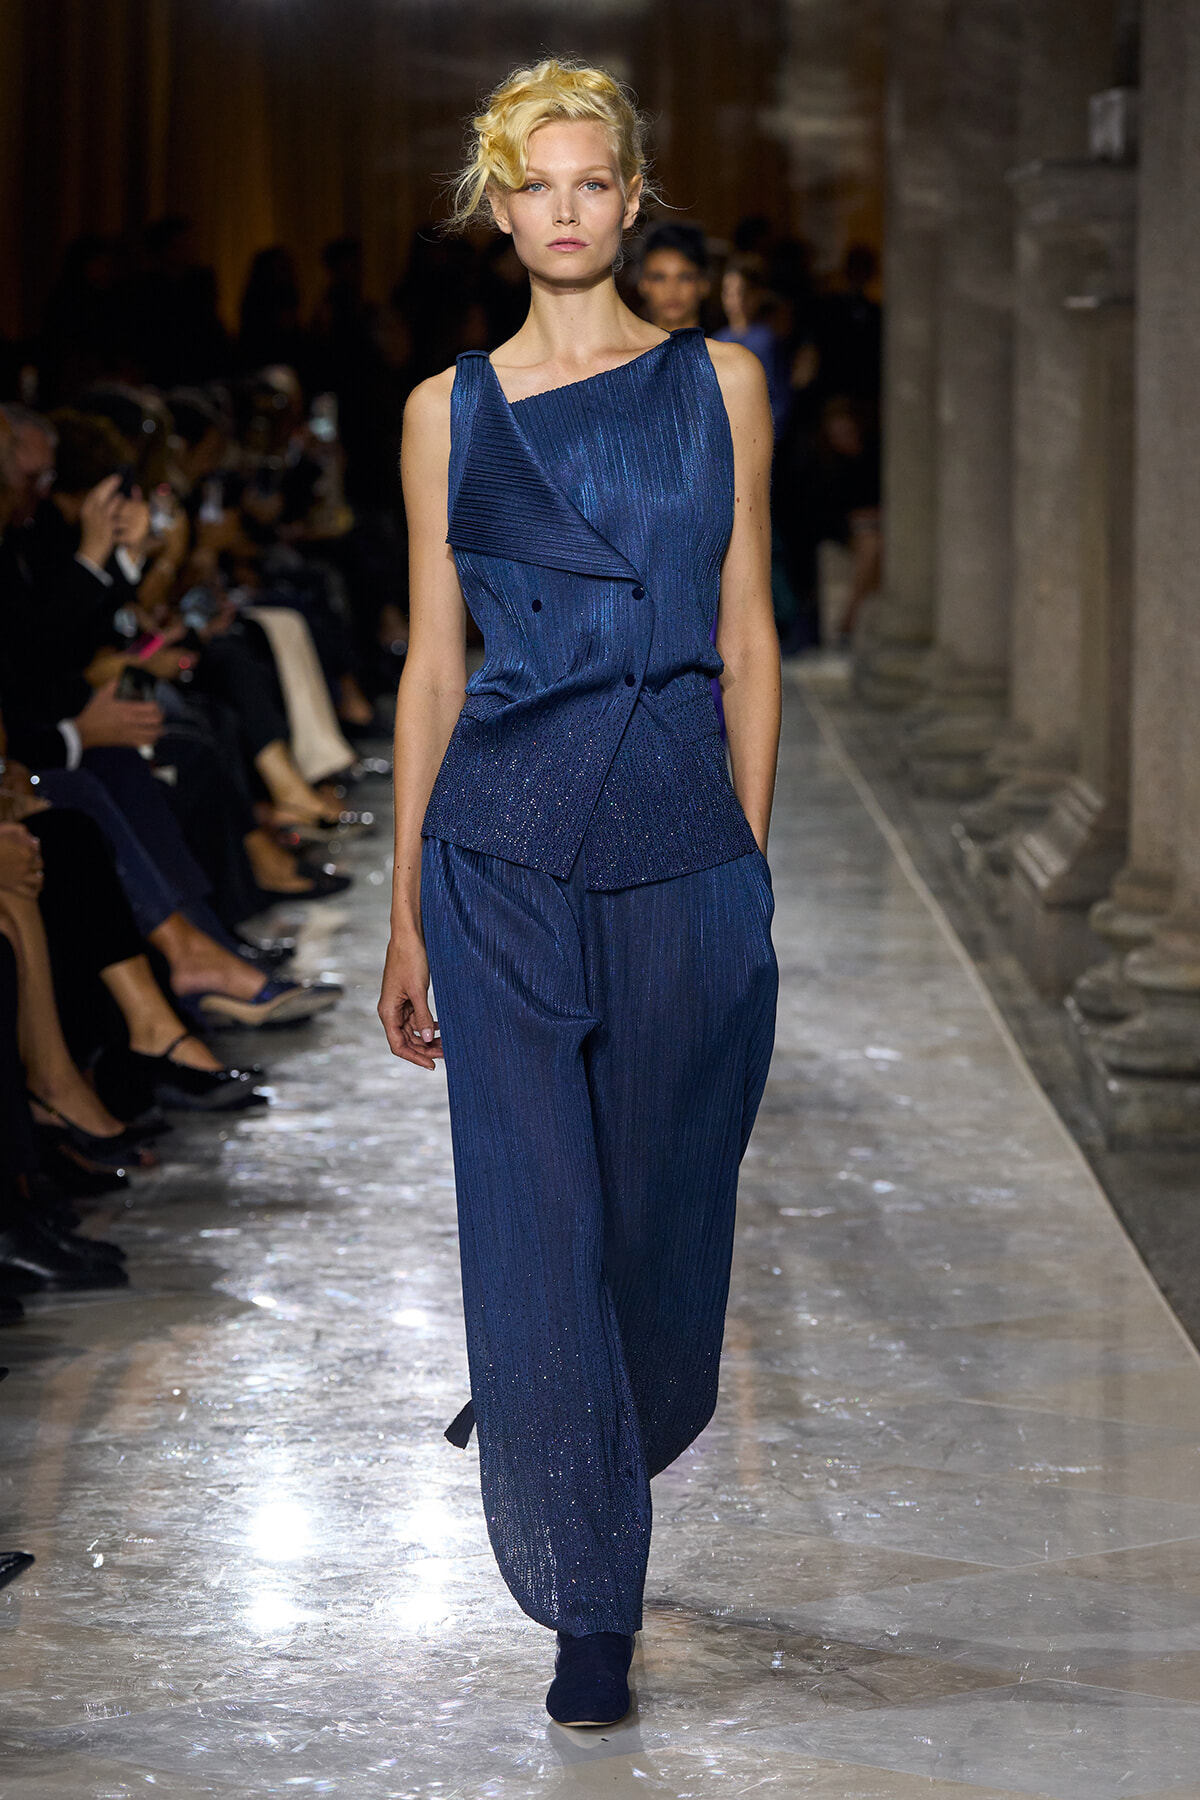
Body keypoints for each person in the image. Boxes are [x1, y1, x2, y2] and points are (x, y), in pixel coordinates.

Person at [378, 58, 780, 1729]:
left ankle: (599, 1412)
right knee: (540, 1217)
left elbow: (750, 630)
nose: (562, 207)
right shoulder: (441, 410)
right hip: (506, 850)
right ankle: (586, 1597)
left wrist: (745, 854)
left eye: (591, 182)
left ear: (630, 200)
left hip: (684, 832)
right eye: (532, 182)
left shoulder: (719, 384)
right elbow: (429, 668)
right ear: (498, 206)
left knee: (663, 1214)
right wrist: (406, 910)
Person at [636, 221, 711, 333]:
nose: (671, 290)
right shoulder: (622, 348)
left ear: (704, 283)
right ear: (643, 284)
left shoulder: (728, 349)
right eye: (659, 278)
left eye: (685, 278)